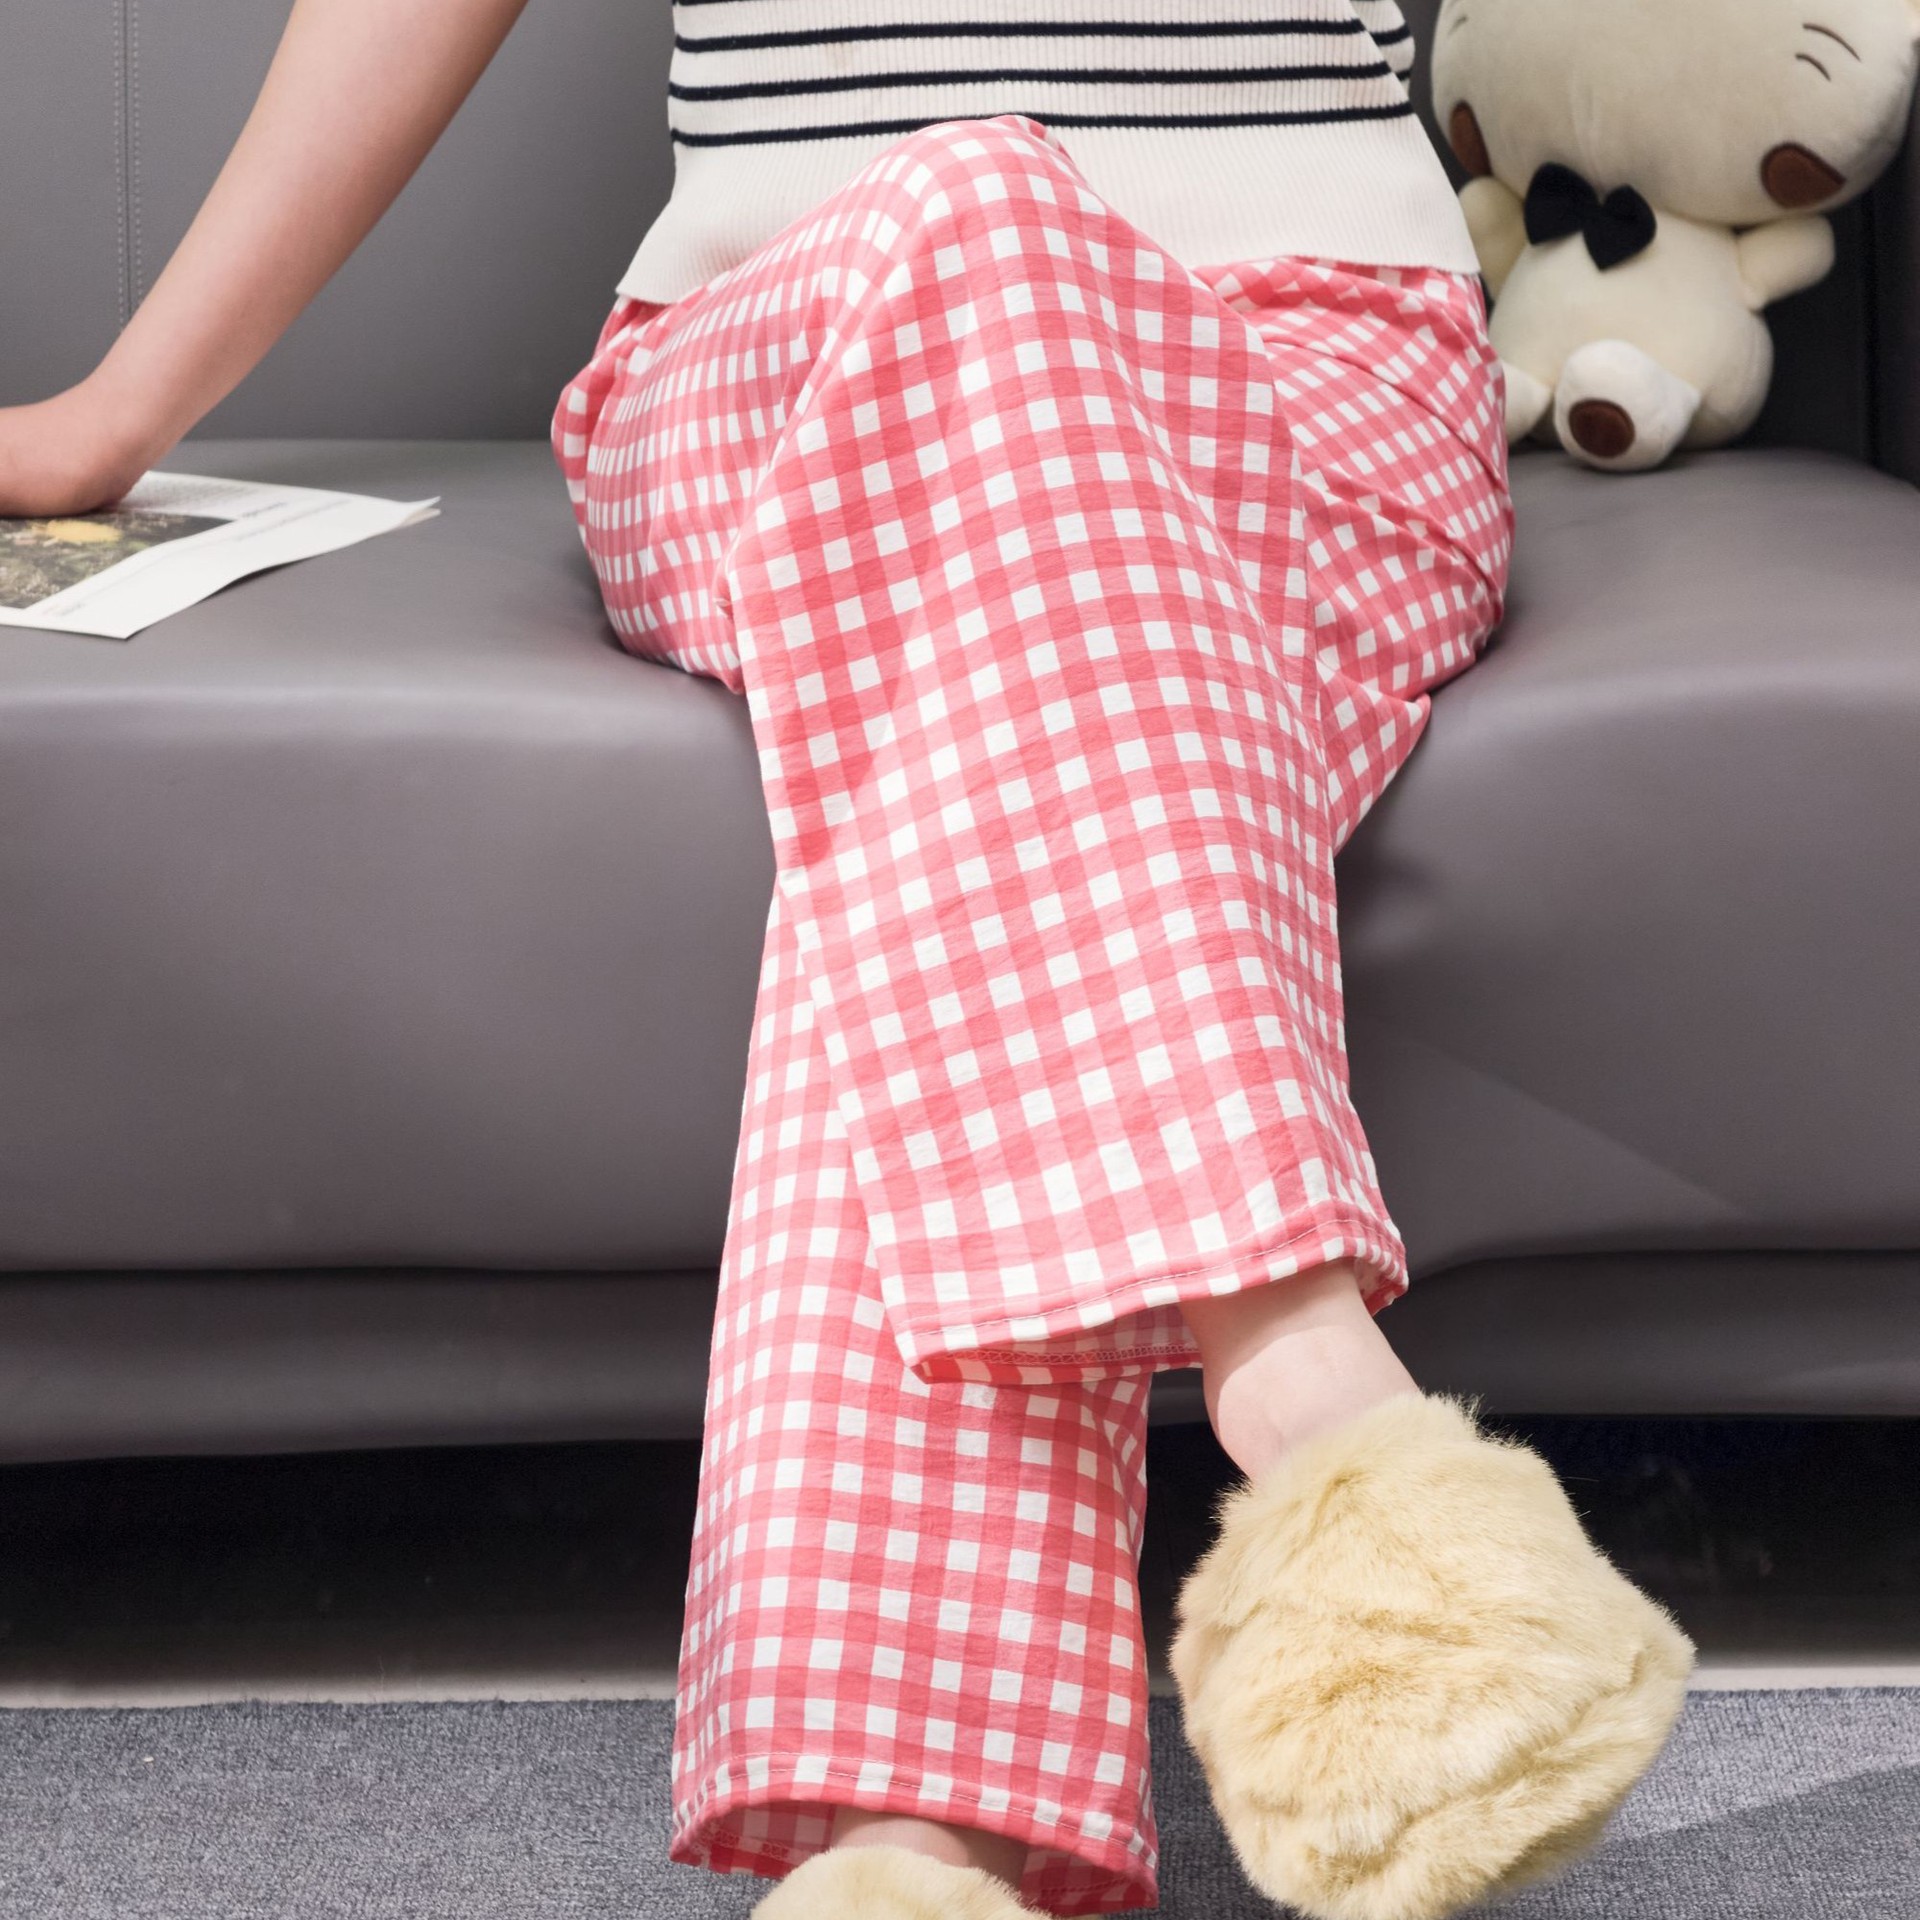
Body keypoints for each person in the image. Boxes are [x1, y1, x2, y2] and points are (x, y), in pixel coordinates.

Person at [0, 6, 1698, 1917]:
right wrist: (121, 411)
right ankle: (1300, 1375)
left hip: (1316, 363)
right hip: (780, 347)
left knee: (946, 740)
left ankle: (908, 1846)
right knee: (985, 208)